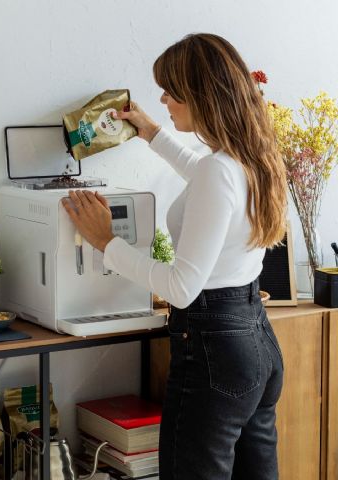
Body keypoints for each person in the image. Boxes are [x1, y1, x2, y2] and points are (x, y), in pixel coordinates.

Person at [62, 33, 286, 480]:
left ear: (201, 94)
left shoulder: (220, 169)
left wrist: (107, 242)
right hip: (255, 343)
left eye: (170, 89)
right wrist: (152, 134)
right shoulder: (251, 157)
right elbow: (207, 183)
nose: (162, 97)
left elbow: (182, 288)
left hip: (213, 351)